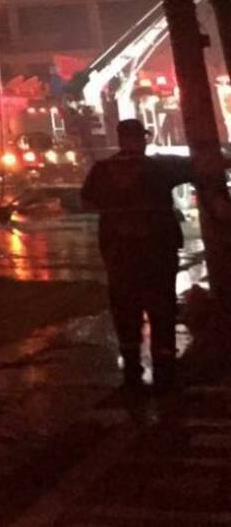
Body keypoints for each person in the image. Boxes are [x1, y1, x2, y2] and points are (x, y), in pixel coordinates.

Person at [81, 117, 194, 392]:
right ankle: (164, 374)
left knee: (125, 312)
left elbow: (86, 200)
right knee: (162, 312)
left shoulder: (103, 170)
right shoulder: (159, 167)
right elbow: (199, 168)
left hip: (120, 256)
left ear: (120, 139)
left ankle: (132, 372)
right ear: (142, 138)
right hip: (157, 254)